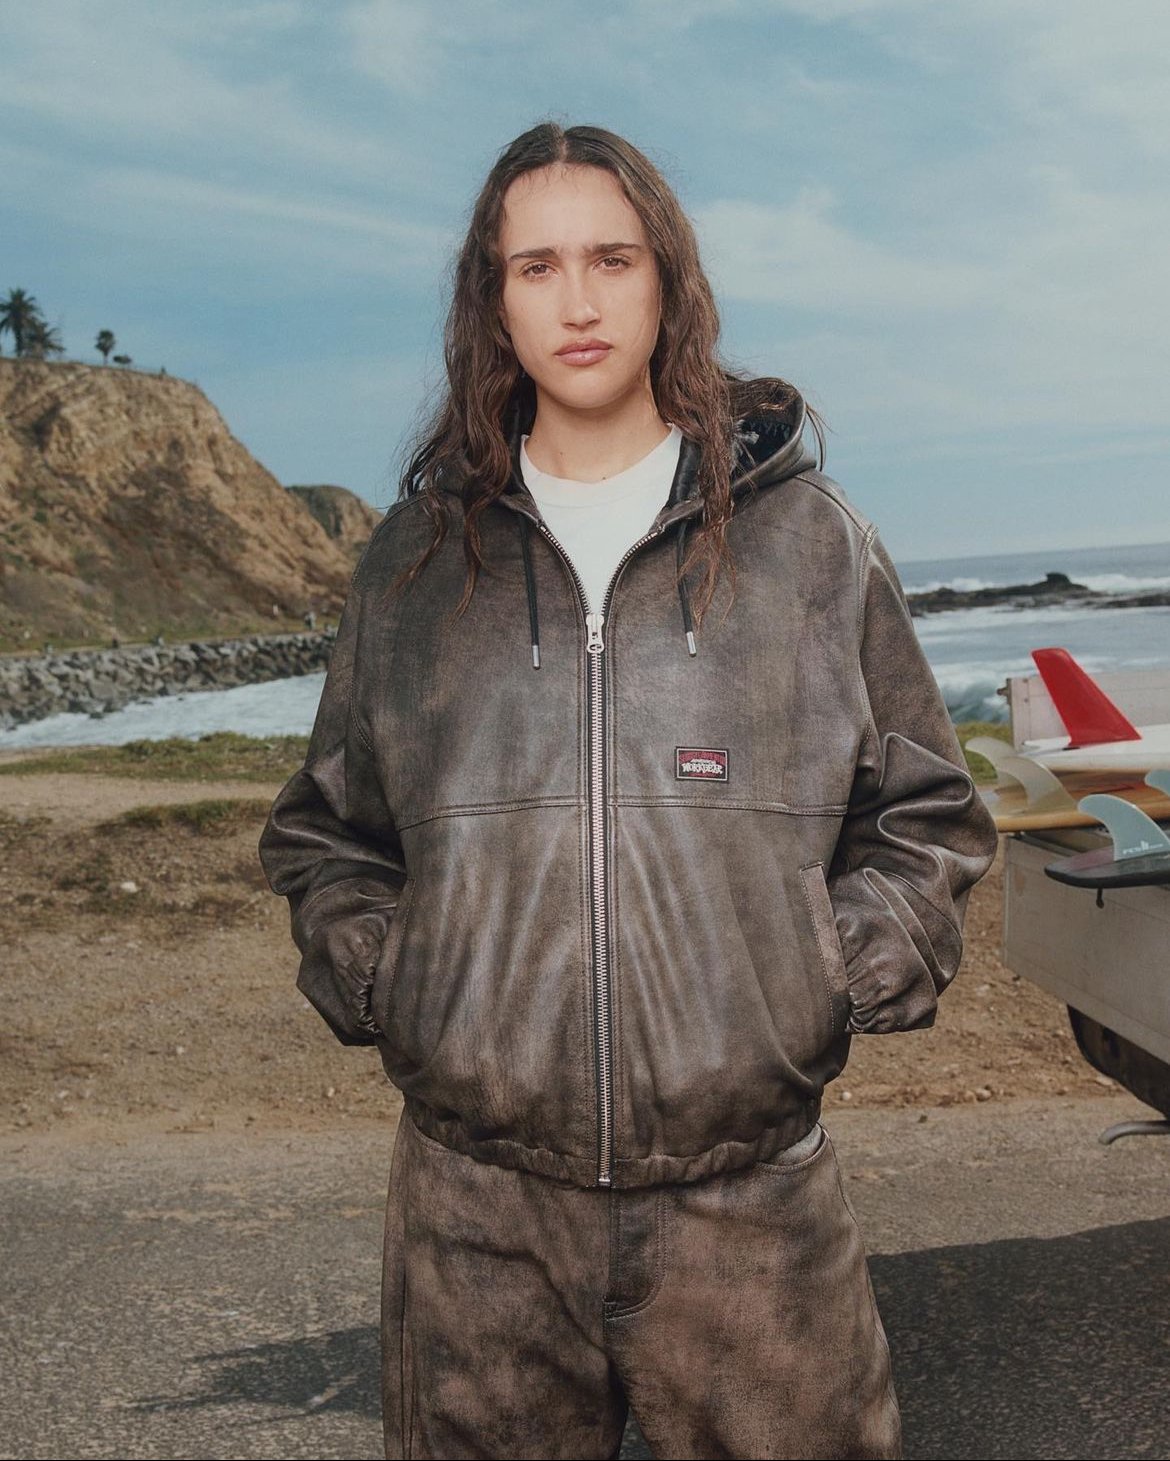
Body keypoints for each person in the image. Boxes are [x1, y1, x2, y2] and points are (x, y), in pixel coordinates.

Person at [259, 121, 1000, 1461]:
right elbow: (328, 832)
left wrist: (824, 974)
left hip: (750, 1213)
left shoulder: (806, 542)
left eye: (611, 257)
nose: (580, 300)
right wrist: (385, 976)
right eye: (534, 266)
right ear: (492, 301)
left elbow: (922, 810)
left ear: (669, 279)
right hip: (473, 1219)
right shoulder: (412, 568)